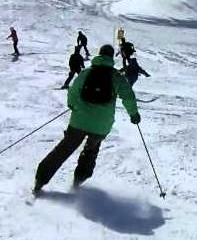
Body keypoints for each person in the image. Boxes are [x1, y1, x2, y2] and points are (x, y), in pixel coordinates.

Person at [33, 44, 141, 195]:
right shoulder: (117, 77)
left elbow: (73, 91)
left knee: (64, 149)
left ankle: (40, 180)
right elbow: (128, 96)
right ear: (111, 57)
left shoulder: (86, 73)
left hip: (79, 120)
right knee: (90, 152)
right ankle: (78, 183)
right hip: (101, 125)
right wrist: (134, 114)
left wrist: (72, 105)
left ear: (99, 55)